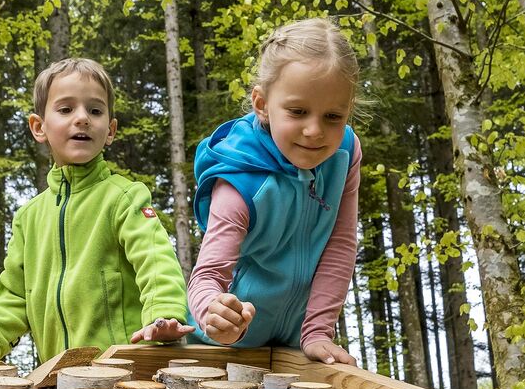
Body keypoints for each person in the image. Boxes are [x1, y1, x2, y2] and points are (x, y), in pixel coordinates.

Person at [138, 18, 359, 364]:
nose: (315, 130)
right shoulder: (240, 182)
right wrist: (215, 315)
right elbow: (207, 276)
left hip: (293, 346)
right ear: (261, 104)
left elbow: (340, 243)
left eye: (333, 115)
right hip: (221, 351)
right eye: (298, 112)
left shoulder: (345, 153)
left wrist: (317, 331)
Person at [0, 58, 192, 369]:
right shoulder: (29, 217)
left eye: (95, 110)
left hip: (124, 378)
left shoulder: (125, 197)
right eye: (66, 109)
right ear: (39, 127)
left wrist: (164, 313)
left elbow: (156, 259)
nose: (82, 118)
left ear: (110, 130)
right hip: (55, 380)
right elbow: (13, 297)